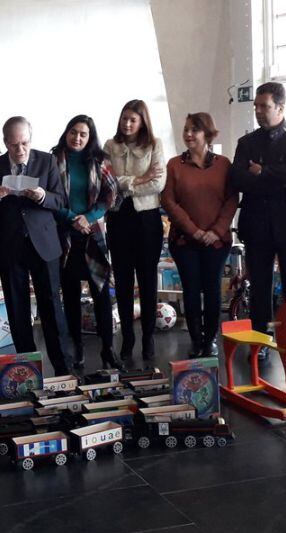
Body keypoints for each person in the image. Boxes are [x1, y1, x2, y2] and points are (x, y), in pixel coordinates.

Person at [230, 81, 286, 363]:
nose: (257, 111)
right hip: (258, 226)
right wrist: (283, 175)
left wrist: (263, 172)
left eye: (263, 106)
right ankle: (262, 340)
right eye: (255, 106)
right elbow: (238, 179)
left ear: (280, 107)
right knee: (260, 288)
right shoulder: (247, 143)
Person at [0, 116, 71, 375]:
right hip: (11, 245)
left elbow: (60, 200)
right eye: (14, 145)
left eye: (25, 143)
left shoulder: (47, 161)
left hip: (44, 243)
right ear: (5, 142)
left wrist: (43, 196)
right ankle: (27, 370)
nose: (20, 150)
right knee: (17, 308)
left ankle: (64, 367)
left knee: (52, 305)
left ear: (31, 139)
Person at [162, 113, 239, 358]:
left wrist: (215, 231)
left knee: (213, 288)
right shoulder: (175, 164)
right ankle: (196, 340)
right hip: (185, 241)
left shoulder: (223, 164)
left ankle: (210, 339)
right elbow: (169, 201)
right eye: (186, 129)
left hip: (217, 241)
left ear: (208, 133)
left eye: (194, 130)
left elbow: (231, 200)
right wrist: (193, 231)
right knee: (191, 289)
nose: (188, 134)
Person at [50, 114, 120, 370]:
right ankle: (76, 348)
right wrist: (71, 218)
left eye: (83, 134)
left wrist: (88, 217)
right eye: (73, 132)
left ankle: (108, 349)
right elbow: (49, 198)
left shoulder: (100, 160)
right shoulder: (53, 160)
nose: (77, 138)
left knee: (100, 293)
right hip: (64, 236)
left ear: (90, 138)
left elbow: (110, 195)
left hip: (92, 235)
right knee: (69, 296)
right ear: (66, 132)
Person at [103, 100, 166, 364]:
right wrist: (138, 180)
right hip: (118, 218)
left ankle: (148, 337)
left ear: (142, 122)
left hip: (147, 219)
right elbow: (106, 182)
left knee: (148, 281)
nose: (127, 124)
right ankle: (128, 338)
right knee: (124, 282)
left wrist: (125, 184)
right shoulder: (110, 146)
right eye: (124, 118)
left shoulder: (155, 144)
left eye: (133, 120)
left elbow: (159, 182)